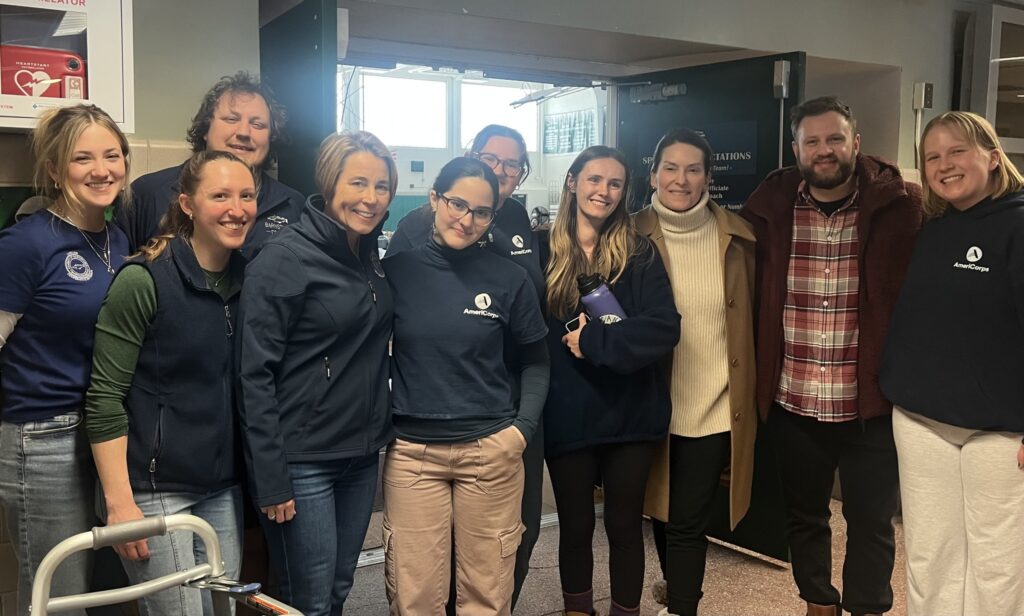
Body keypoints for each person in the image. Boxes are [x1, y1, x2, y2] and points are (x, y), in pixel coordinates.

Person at [740, 96, 922, 616]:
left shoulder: (901, 208)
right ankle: (817, 602)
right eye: (813, 141)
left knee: (871, 521)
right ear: (795, 148)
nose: (825, 150)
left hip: (871, 404)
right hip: (794, 400)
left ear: (856, 143)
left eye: (835, 138)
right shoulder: (768, 210)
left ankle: (867, 607)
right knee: (806, 515)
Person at [85, 150, 257, 615]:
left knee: (222, 610)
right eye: (219, 195)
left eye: (246, 196)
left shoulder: (249, 281)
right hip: (155, 488)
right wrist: (120, 505)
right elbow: (104, 398)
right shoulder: (144, 279)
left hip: (221, 484)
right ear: (187, 204)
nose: (236, 208)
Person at [386, 124, 545, 610]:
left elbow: (537, 361)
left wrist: (519, 432)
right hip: (413, 454)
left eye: (481, 211)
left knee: (487, 594)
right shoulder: (397, 272)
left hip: (490, 451)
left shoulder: (510, 278)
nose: (466, 219)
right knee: (416, 597)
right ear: (435, 199)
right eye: (457, 204)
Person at [238, 130, 396, 616]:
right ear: (329, 183)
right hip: (303, 459)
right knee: (305, 598)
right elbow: (253, 376)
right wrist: (272, 479)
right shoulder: (285, 259)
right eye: (358, 183)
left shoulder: (364, 254)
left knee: (337, 588)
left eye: (382, 186)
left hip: (360, 453)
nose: (370, 198)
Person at [879, 112, 1024, 616]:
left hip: (1002, 431)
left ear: (991, 154)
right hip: (922, 419)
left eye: (957, 151)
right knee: (930, 555)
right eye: (933, 157)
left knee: (997, 565)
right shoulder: (934, 228)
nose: (944, 165)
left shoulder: (1018, 224)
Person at [0, 104, 131, 616]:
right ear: (54, 170)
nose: (102, 169)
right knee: (58, 596)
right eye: (82, 158)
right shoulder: (24, 244)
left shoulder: (116, 240)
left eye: (112, 155)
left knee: (102, 593)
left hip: (106, 435)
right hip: (42, 438)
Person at [542, 145, 680, 616]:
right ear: (572, 181)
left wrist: (595, 343)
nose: (604, 191)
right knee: (575, 527)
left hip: (631, 412)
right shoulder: (542, 250)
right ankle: (577, 610)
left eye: (615, 183)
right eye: (594, 179)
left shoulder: (639, 253)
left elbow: (664, 329)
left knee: (624, 527)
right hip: (567, 413)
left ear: (624, 192)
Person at [635, 129, 756, 616]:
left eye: (692, 169)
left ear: (709, 176)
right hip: (649, 400)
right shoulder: (627, 233)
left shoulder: (741, 238)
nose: (680, 180)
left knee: (686, 520)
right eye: (670, 168)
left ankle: (683, 605)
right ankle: (673, 586)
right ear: (653, 175)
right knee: (661, 511)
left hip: (713, 403)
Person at [117, 71, 304, 258]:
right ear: (206, 128)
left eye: (258, 124)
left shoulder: (291, 205)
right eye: (232, 119)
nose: (244, 132)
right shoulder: (147, 195)